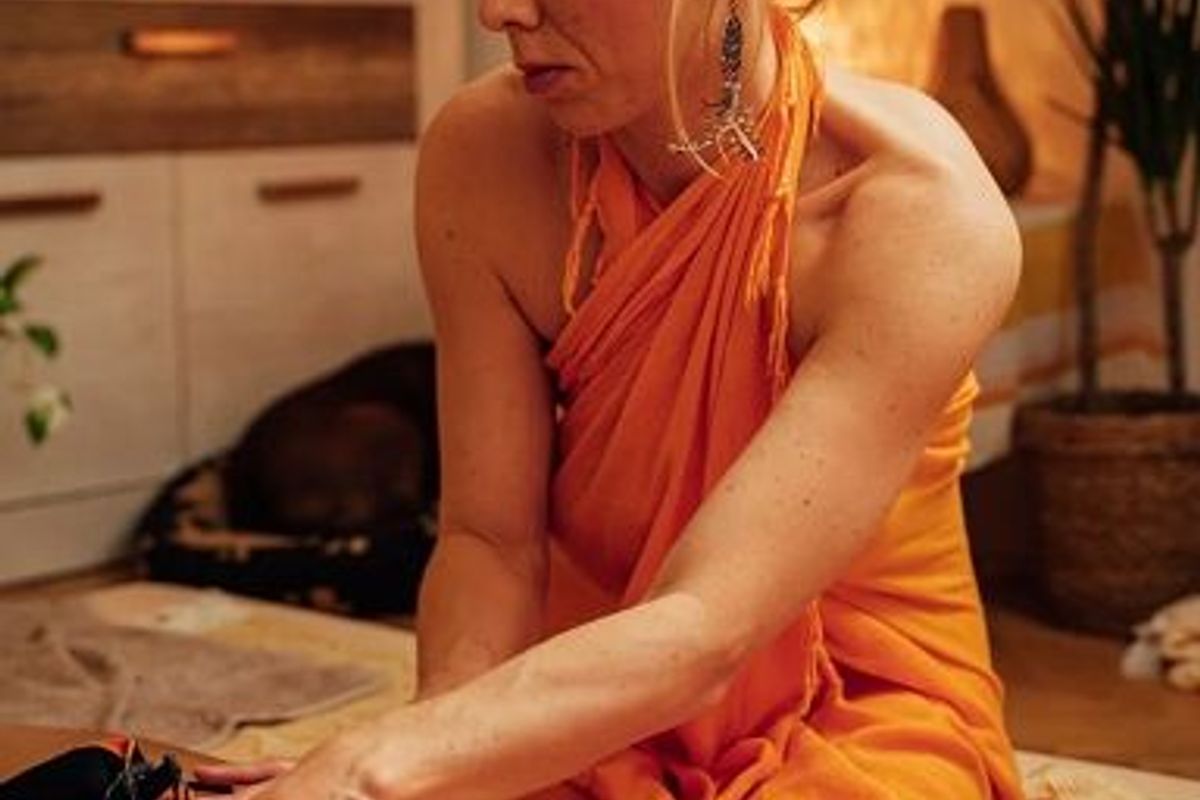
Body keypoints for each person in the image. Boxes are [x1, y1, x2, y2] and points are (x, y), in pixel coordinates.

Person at [195, 0, 1024, 797]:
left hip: (856, 710)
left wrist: (376, 766)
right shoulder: (482, 153)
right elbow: (490, 540)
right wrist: (440, 753)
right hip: (580, 687)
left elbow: (707, 625)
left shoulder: (919, 214)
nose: (499, 12)